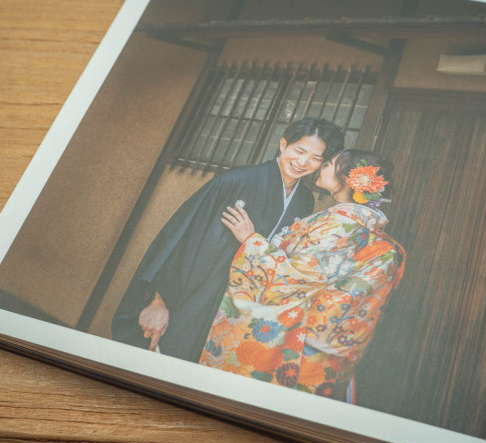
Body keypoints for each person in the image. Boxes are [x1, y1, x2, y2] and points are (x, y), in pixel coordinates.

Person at [112, 118, 345, 362]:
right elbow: (182, 238)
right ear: (283, 144)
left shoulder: (304, 200)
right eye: (299, 150)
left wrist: (251, 241)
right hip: (197, 293)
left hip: (242, 307)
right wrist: (157, 301)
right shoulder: (235, 181)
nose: (303, 162)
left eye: (315, 158)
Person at [199, 150, 405, 403]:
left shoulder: (342, 223)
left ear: (349, 178)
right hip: (321, 345)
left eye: (329, 164)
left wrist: (251, 240)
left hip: (300, 344)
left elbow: (296, 276)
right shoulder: (360, 222)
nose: (321, 167)